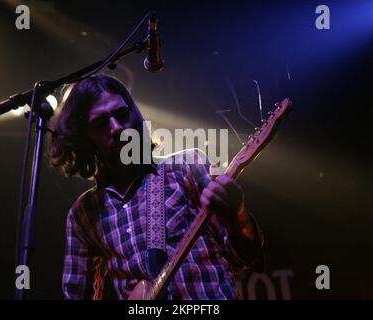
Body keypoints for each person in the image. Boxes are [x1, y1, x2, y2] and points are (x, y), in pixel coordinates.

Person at [46, 74, 264, 300]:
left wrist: (237, 215)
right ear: (85, 138)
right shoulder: (84, 214)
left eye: (122, 115)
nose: (118, 128)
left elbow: (248, 259)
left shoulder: (185, 167)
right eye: (101, 124)